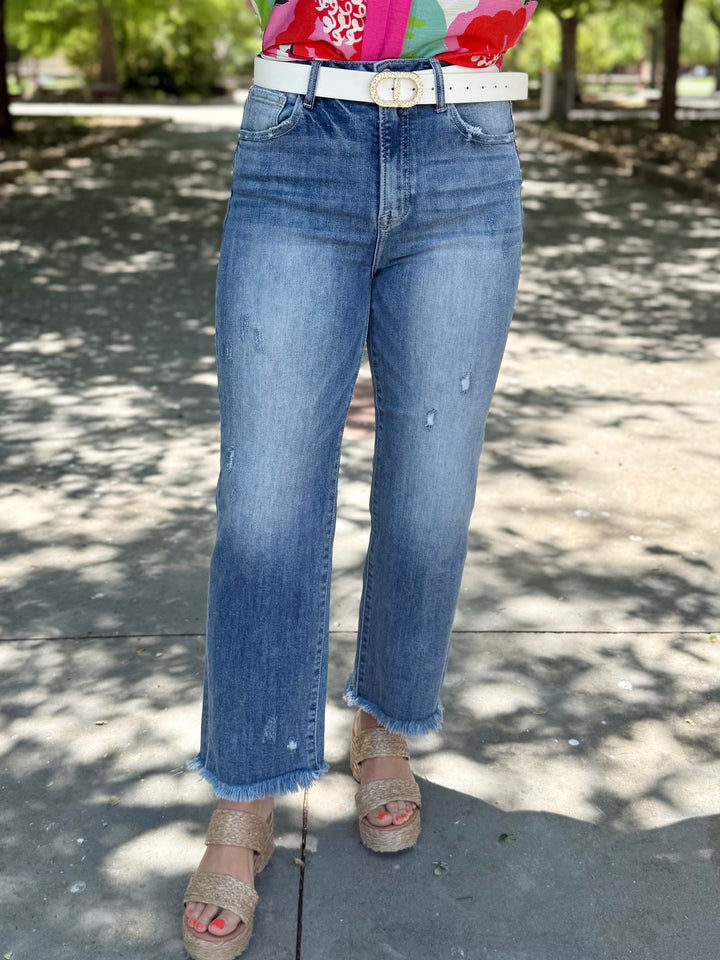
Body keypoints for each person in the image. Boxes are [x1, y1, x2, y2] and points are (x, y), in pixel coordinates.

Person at [181, 1, 538, 957]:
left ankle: (385, 726)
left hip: (467, 138)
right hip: (300, 133)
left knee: (433, 491)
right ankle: (247, 792)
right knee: (264, 505)